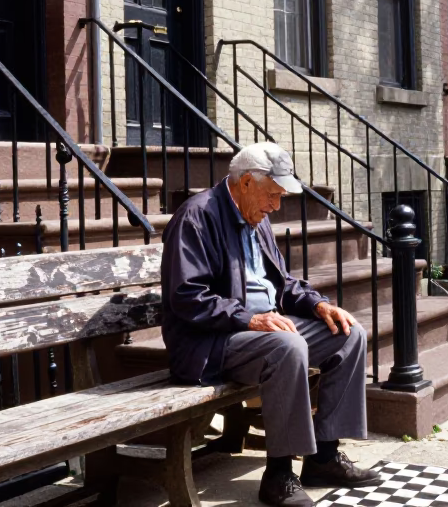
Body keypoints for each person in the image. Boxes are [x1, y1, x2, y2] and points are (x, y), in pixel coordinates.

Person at [160, 142, 380, 507]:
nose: (276, 206)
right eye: (272, 195)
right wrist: (249, 318)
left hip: (259, 333)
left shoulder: (255, 218)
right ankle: (278, 474)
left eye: (280, 197)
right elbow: (187, 296)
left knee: (348, 333)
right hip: (208, 344)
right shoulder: (196, 217)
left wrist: (318, 303)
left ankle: (324, 457)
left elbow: (282, 282)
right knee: (288, 347)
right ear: (246, 182)